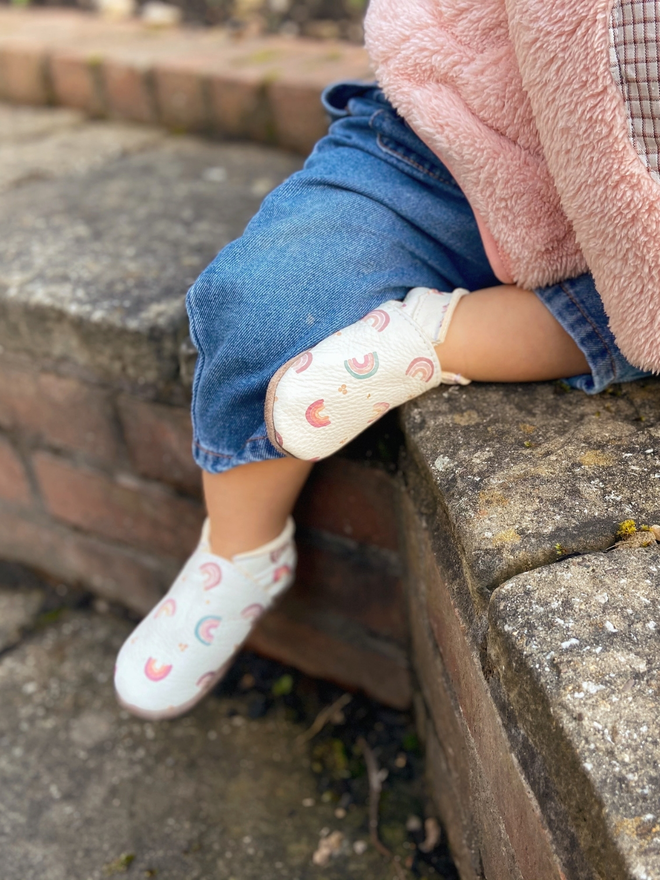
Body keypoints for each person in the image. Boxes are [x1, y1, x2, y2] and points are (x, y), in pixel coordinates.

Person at [114, 0, 657, 719]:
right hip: (452, 143)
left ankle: (427, 339)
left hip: (637, 226)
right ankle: (242, 550)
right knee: (263, 304)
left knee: (640, 305)